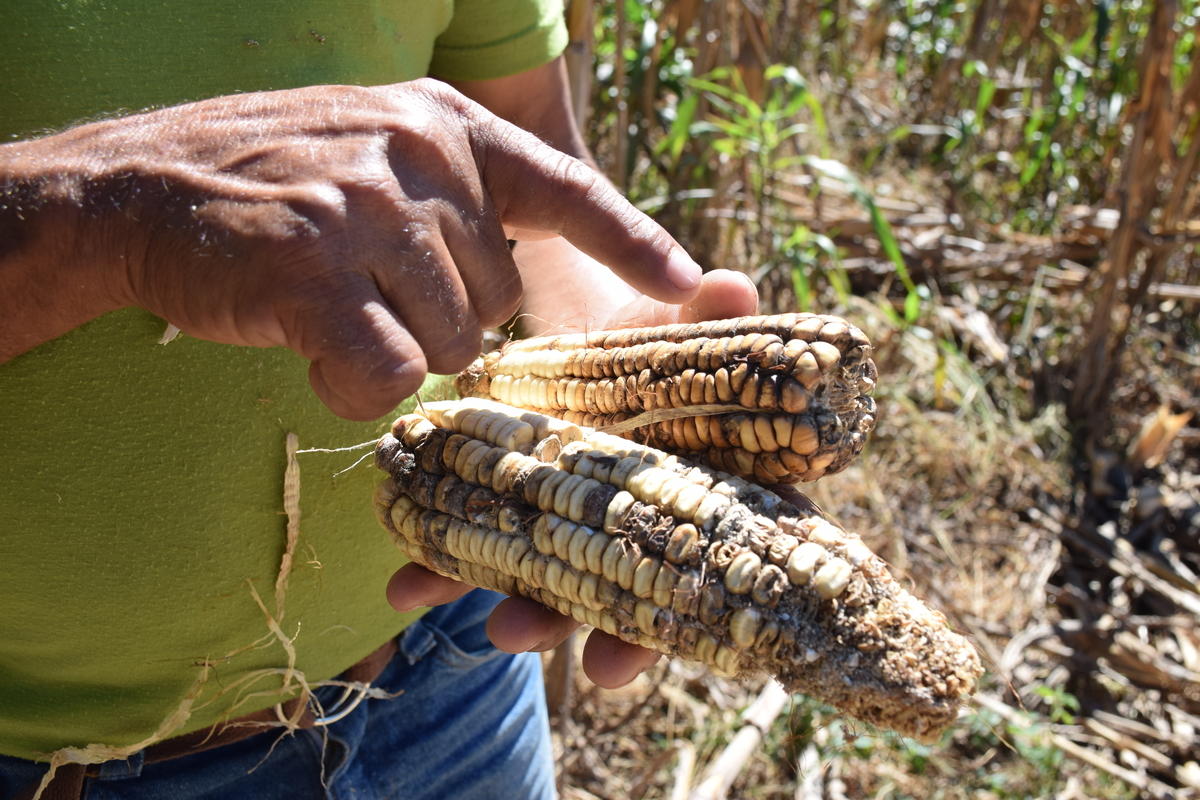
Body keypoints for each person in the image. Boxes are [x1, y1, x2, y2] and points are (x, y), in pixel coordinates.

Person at [0, 2, 758, 798]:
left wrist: (615, 349)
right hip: (60, 765)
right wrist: (109, 211)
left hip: (452, 671)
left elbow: (518, 149)